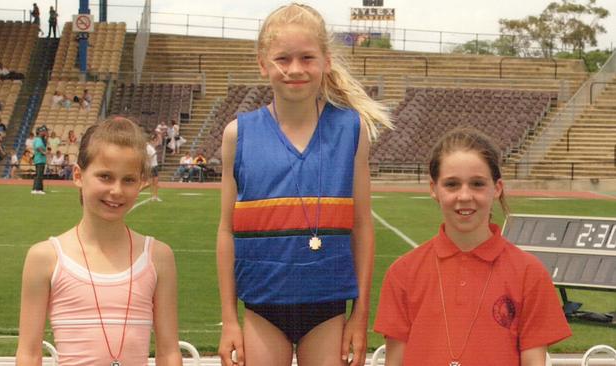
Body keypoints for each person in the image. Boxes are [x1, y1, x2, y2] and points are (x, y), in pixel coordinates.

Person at [216, 4, 391, 366]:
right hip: (262, 306)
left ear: (326, 61)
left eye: (307, 58)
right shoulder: (239, 134)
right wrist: (230, 320)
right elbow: (225, 231)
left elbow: (361, 226)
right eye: (283, 59)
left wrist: (360, 316)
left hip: (328, 307)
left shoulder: (351, 130)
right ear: (263, 64)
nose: (295, 69)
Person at [374, 127, 572, 366]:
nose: (465, 196)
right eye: (452, 184)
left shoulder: (529, 273)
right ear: (433, 189)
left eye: (477, 184)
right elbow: (395, 361)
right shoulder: (403, 273)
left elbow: (533, 361)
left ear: (497, 188)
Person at [16, 117, 182, 366]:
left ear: (141, 183)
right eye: (105, 177)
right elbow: (29, 354)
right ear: (78, 176)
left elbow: (169, 352)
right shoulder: (46, 258)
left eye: (128, 180)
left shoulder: (158, 256)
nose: (116, 191)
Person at [31, 125, 48, 194]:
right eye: (44, 131)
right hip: (40, 159)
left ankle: (36, 188)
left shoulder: (39, 139)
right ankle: (38, 189)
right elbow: (38, 147)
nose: (45, 132)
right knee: (39, 175)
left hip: (39, 159)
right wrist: (43, 152)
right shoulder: (38, 139)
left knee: (38, 174)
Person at [146, 134, 161, 202]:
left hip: (154, 166)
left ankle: (154, 196)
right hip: (152, 166)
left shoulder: (149, 147)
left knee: (154, 182)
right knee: (153, 182)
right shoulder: (149, 147)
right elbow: (151, 156)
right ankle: (153, 196)